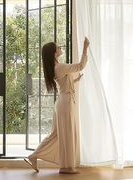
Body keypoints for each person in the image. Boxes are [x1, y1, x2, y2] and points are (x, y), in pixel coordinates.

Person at [24, 37, 90, 174]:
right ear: (54, 52)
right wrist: (85, 48)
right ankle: (66, 167)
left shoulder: (57, 67)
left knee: (56, 135)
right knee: (66, 134)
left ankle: (33, 155)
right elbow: (80, 66)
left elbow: (65, 83)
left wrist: (76, 79)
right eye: (58, 47)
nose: (60, 48)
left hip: (62, 102)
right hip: (65, 103)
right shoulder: (59, 67)